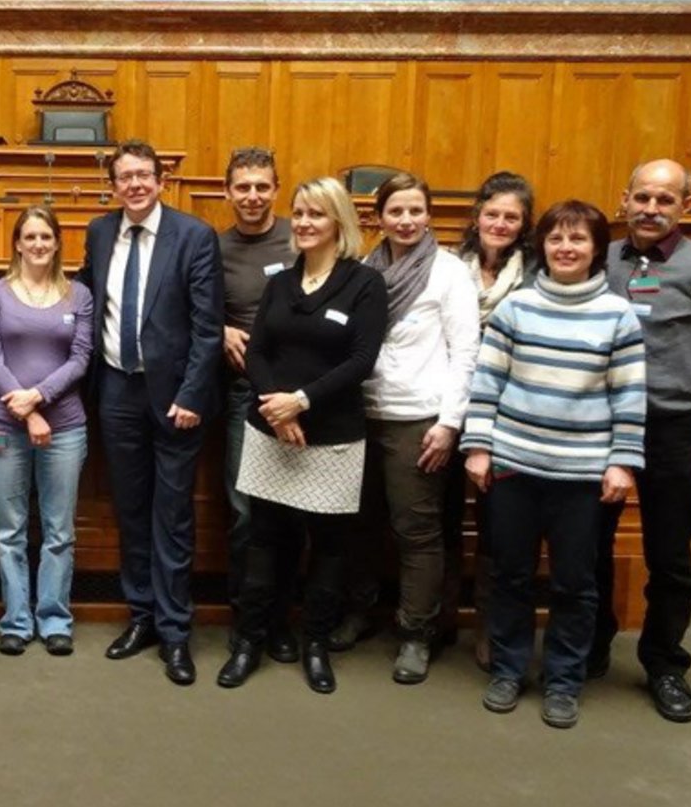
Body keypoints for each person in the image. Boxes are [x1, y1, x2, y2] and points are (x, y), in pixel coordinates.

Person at [461, 200, 644, 729]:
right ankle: (509, 669)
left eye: (578, 240)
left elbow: (629, 396)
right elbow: (487, 382)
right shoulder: (516, 308)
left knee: (574, 584)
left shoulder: (618, 314)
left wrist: (622, 464)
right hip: (515, 468)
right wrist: (478, 447)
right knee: (512, 576)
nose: (566, 248)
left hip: (584, 477)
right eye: (556, 239)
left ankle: (564, 680)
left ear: (596, 250)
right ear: (542, 246)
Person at [230, 176, 387, 695]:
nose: (302, 223)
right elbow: (258, 352)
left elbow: (361, 360)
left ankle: (314, 644)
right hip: (271, 430)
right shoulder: (280, 281)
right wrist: (278, 406)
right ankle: (251, 639)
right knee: (265, 539)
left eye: (315, 214)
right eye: (297, 213)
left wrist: (303, 401)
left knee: (329, 547)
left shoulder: (364, 284)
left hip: (334, 436)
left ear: (338, 221)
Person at [79, 139, 223, 686]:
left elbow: (207, 328)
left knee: (173, 515)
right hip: (116, 391)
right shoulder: (98, 232)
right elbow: (90, 301)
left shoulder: (193, 236)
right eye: (124, 177)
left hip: (175, 400)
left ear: (161, 180)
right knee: (131, 511)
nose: (135, 185)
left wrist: (190, 395)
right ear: (112, 184)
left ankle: (176, 631)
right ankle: (141, 616)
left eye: (144, 175)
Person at [593, 159, 691, 723]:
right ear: (625, 199)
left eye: (665, 200)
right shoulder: (601, 258)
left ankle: (664, 664)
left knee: (669, 554)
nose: (651, 209)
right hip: (599, 421)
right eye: (642, 197)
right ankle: (590, 644)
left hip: (670, 425)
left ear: (685, 206)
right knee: (587, 542)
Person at [357, 172, 478, 685]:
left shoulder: (449, 273)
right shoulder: (365, 268)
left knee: (417, 533)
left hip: (419, 419)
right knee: (359, 526)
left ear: (429, 215)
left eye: (415, 211)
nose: (406, 221)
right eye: (395, 212)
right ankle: (359, 612)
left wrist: (450, 424)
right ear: (378, 218)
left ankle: (416, 634)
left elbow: (466, 352)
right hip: (362, 413)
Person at [0, 206, 93, 656]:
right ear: (18, 244)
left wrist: (38, 398)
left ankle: (54, 618)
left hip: (65, 428)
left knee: (59, 530)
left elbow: (81, 359)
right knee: (9, 529)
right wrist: (27, 412)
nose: (39, 244)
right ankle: (16, 621)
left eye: (47, 236)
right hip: (2, 426)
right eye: (30, 237)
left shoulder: (77, 295)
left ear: (58, 242)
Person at [214, 147, 302, 687]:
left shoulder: (300, 238)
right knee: (246, 512)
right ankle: (246, 617)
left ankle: (279, 620)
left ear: (276, 189)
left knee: (291, 514)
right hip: (244, 397)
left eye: (262, 186)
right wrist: (219, 329)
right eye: (242, 187)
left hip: (299, 399)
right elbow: (191, 307)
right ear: (228, 192)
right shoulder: (213, 246)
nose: (252, 196)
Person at [451, 171, 536, 670]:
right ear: (476, 216)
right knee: (440, 517)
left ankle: (490, 626)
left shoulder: (537, 272)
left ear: (523, 225)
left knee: (496, 526)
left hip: (510, 412)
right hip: (449, 402)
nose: (500, 224)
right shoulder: (446, 267)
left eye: (511, 217)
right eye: (492, 214)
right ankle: (434, 622)